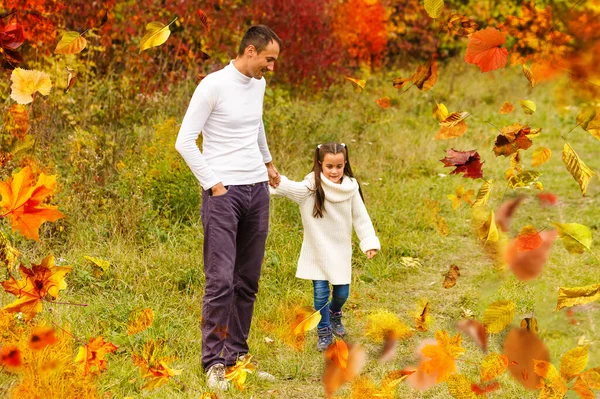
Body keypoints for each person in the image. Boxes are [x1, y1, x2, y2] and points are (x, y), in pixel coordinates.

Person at [175, 25, 282, 390]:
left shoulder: (259, 85)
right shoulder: (213, 85)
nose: (271, 67)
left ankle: (237, 358)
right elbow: (184, 141)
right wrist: (214, 185)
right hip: (224, 195)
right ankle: (214, 362)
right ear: (250, 51)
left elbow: (256, 126)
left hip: (257, 192)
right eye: (269, 59)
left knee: (247, 281)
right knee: (220, 281)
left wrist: (267, 163)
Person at [270, 142, 380, 351]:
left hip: (340, 251)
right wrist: (273, 178)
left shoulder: (350, 188)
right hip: (317, 251)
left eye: (339, 166)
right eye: (329, 166)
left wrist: (369, 243)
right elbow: (290, 189)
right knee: (320, 294)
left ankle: (335, 313)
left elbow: (361, 218)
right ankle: (324, 331)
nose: (334, 171)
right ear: (320, 164)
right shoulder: (312, 186)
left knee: (341, 294)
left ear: (345, 164)